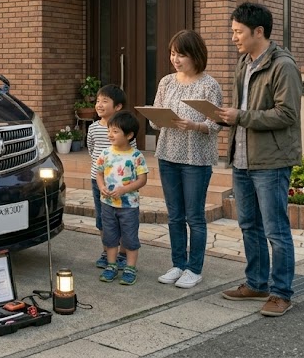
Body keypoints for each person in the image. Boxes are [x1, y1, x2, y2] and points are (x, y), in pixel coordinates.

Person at [215, 2, 302, 317]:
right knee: (248, 224)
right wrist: (226, 117)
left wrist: (241, 115)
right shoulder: (244, 62)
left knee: (275, 229)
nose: (233, 37)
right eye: (233, 31)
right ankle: (256, 283)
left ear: (259, 31)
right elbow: (244, 110)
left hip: (271, 161)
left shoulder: (283, 65)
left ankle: (281, 293)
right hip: (242, 158)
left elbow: (287, 113)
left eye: (238, 32)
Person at [151, 30, 222, 289]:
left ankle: (194, 268)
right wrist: (158, 119)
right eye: (172, 54)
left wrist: (195, 125)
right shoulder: (167, 82)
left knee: (194, 216)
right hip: (167, 154)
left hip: (196, 158)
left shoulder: (209, 85)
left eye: (181, 54)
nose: (175, 59)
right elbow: (155, 116)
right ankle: (178, 264)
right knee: (175, 215)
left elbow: (216, 124)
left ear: (195, 55)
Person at [95, 110, 148, 285]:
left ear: (129, 134)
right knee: (109, 236)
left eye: (115, 131)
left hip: (128, 206)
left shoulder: (136, 156)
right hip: (108, 204)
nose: (110, 134)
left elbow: (142, 180)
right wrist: (102, 187)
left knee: (129, 237)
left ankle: (130, 267)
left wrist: (124, 190)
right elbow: (99, 174)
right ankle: (111, 265)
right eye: (109, 130)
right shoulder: (105, 153)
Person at [86, 84, 136, 270]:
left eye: (105, 101)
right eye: (98, 101)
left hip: (122, 182)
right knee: (103, 218)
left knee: (123, 218)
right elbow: (92, 151)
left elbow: (133, 154)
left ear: (118, 107)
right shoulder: (92, 129)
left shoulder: (126, 128)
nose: (99, 105)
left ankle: (122, 254)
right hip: (98, 180)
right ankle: (108, 251)